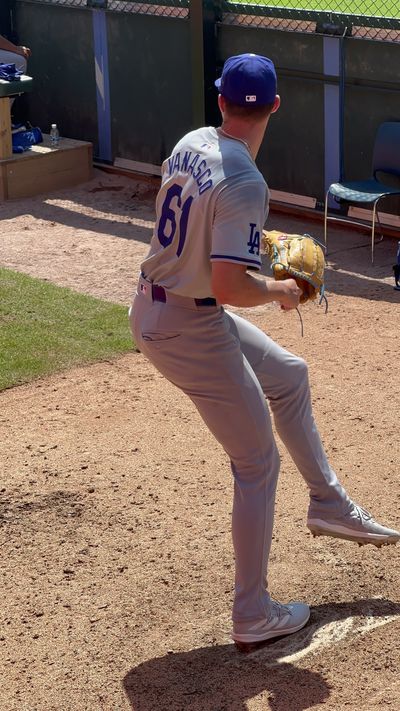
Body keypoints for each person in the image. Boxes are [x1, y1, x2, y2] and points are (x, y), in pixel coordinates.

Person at [129, 53, 400, 652]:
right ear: (274, 106)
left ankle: (328, 502)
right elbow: (230, 285)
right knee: (256, 464)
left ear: (219, 99)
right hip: (187, 326)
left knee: (289, 374)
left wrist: (257, 244)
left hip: (161, 304)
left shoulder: (192, 142)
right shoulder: (247, 182)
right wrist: (277, 288)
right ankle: (252, 613)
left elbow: (195, 224)